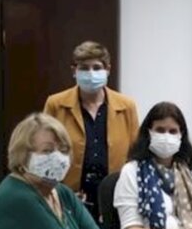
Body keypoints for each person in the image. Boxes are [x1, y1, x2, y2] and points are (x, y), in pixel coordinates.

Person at [43, 40, 140, 219]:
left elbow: (135, 154)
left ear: (108, 69)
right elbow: (45, 153)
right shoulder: (56, 104)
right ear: (74, 71)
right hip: (70, 195)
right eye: (84, 68)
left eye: (97, 67)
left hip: (114, 196)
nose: (91, 73)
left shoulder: (126, 106)